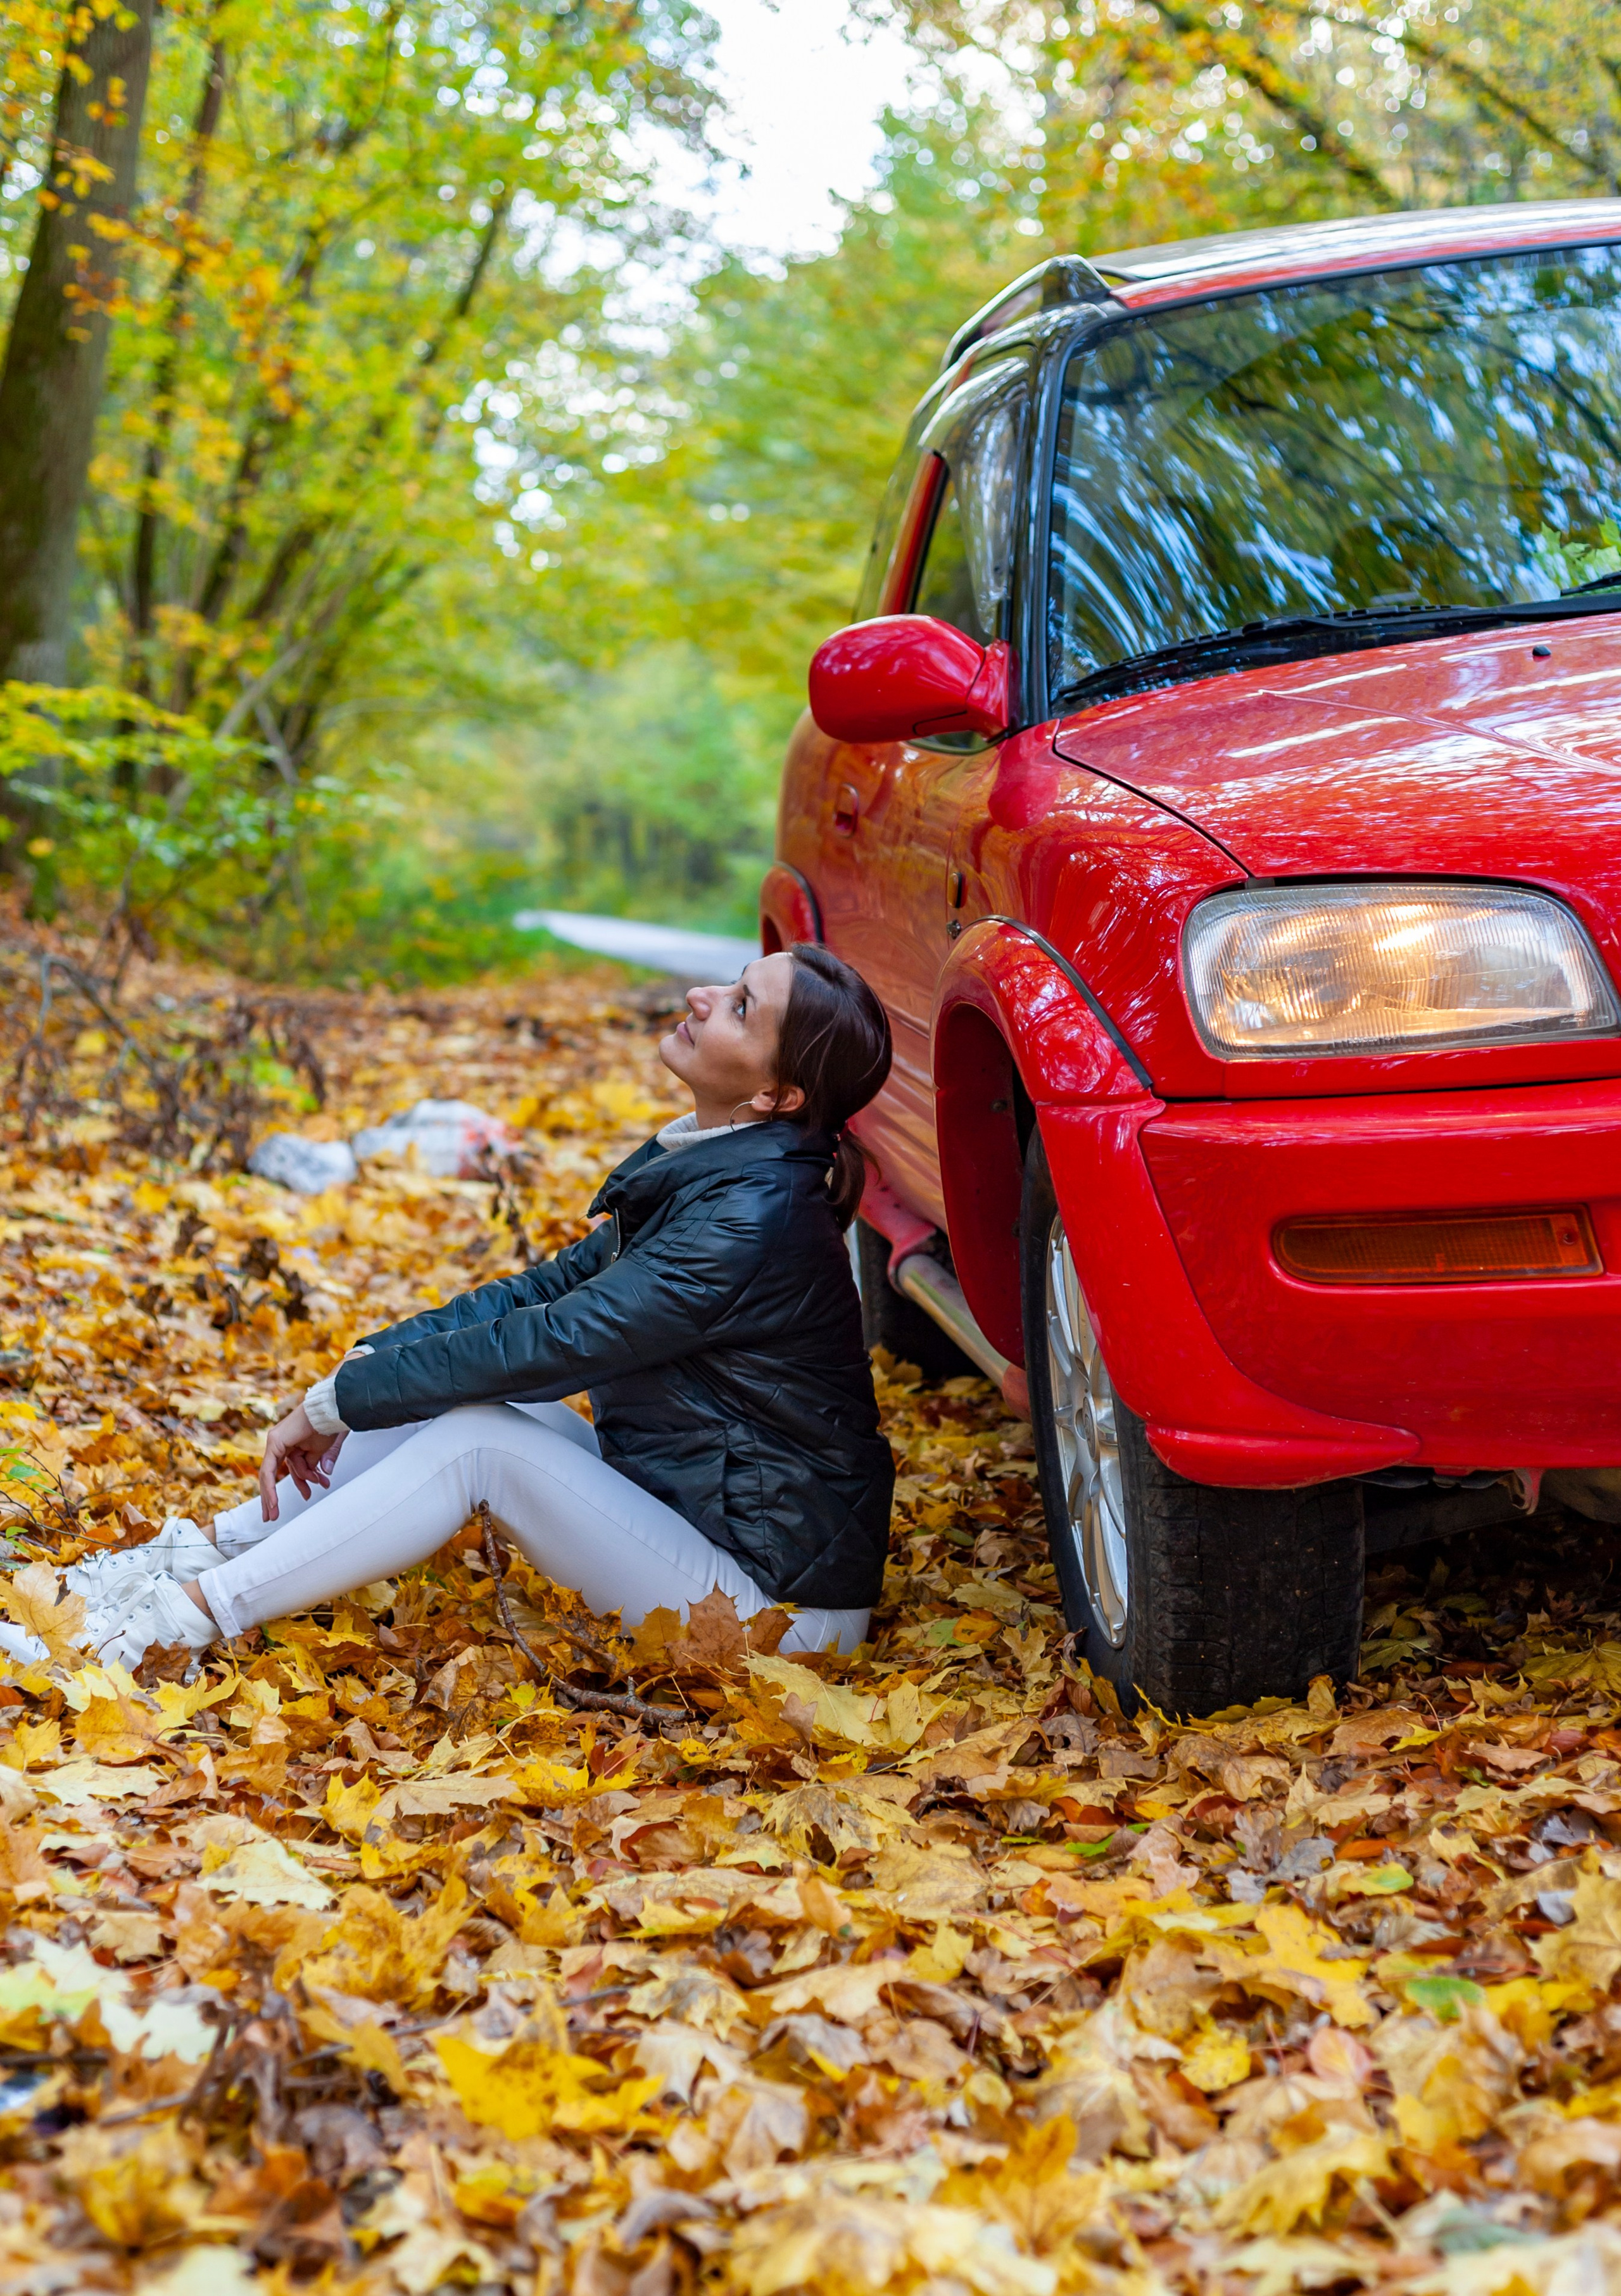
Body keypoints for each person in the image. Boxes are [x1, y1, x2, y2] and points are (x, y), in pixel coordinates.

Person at [13, 946, 897, 1672]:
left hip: (780, 1617)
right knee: (453, 1397)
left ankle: (163, 1627)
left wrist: (339, 1404)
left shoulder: (751, 1219)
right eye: (733, 983)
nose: (706, 997)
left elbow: (557, 1340)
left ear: (779, 1098)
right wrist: (364, 1369)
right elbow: (539, 1293)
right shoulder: (722, 1173)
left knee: (481, 1443)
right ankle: (189, 1558)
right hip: (702, 1524)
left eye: (742, 1007)